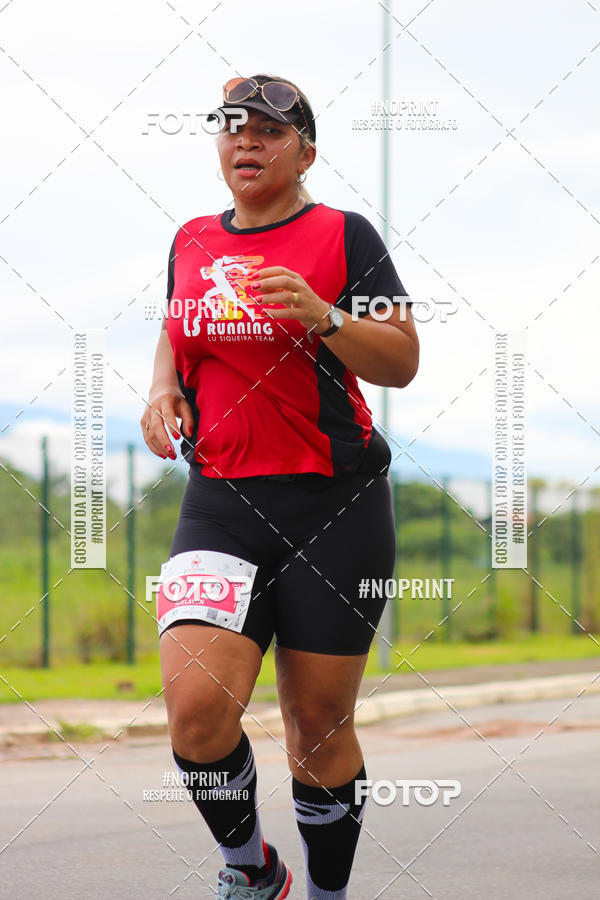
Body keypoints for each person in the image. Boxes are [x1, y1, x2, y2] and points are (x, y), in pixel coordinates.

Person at [141, 73, 419, 900]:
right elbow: (177, 327)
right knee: (195, 713)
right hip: (222, 502)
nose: (247, 143)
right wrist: (163, 390)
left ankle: (329, 893)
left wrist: (325, 317)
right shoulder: (192, 240)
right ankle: (252, 871)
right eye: (232, 129)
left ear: (304, 150)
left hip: (335, 504)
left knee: (316, 728)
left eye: (267, 130)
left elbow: (401, 362)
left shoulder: (343, 235)